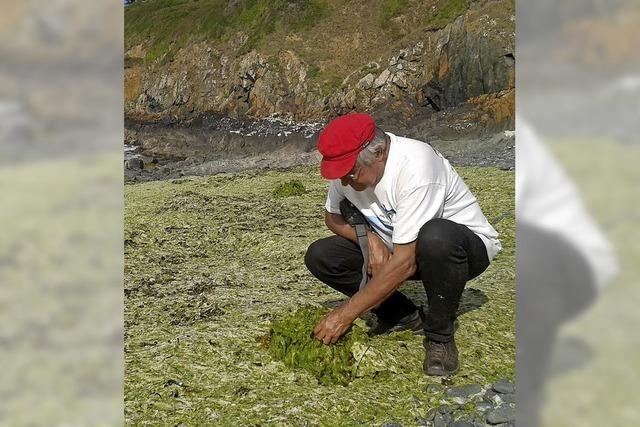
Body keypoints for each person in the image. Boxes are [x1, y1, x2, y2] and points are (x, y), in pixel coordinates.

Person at [304, 113, 501, 376]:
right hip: (399, 249)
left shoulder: (416, 166)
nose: (343, 182)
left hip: (460, 250)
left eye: (350, 173)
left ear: (379, 153)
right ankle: (403, 315)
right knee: (321, 255)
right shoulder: (348, 172)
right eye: (339, 175)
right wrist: (369, 239)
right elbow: (332, 217)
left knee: (436, 236)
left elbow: (405, 263)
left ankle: (440, 337)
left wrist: (344, 315)